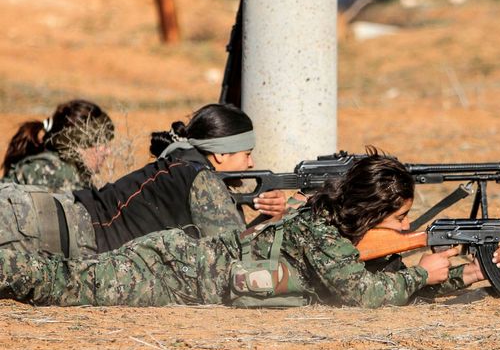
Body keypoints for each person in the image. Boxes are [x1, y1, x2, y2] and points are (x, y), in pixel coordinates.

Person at [0, 150, 500, 307]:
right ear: (371, 211)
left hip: (184, 269)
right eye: (399, 218)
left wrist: (463, 274)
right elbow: (362, 293)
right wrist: (423, 275)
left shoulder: (339, 234)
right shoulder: (323, 234)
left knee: (66, 276)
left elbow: (381, 279)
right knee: (63, 283)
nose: (406, 227)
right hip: (173, 270)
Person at [0, 103, 286, 258]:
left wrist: (263, 218)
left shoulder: (182, 165)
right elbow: (233, 258)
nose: (250, 163)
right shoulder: (201, 178)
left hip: (37, 217)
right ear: (221, 155)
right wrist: (278, 218)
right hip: (38, 228)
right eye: (247, 154)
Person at [2, 99, 115, 192]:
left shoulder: (72, 172)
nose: (108, 151)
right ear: (78, 144)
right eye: (102, 143)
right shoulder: (55, 174)